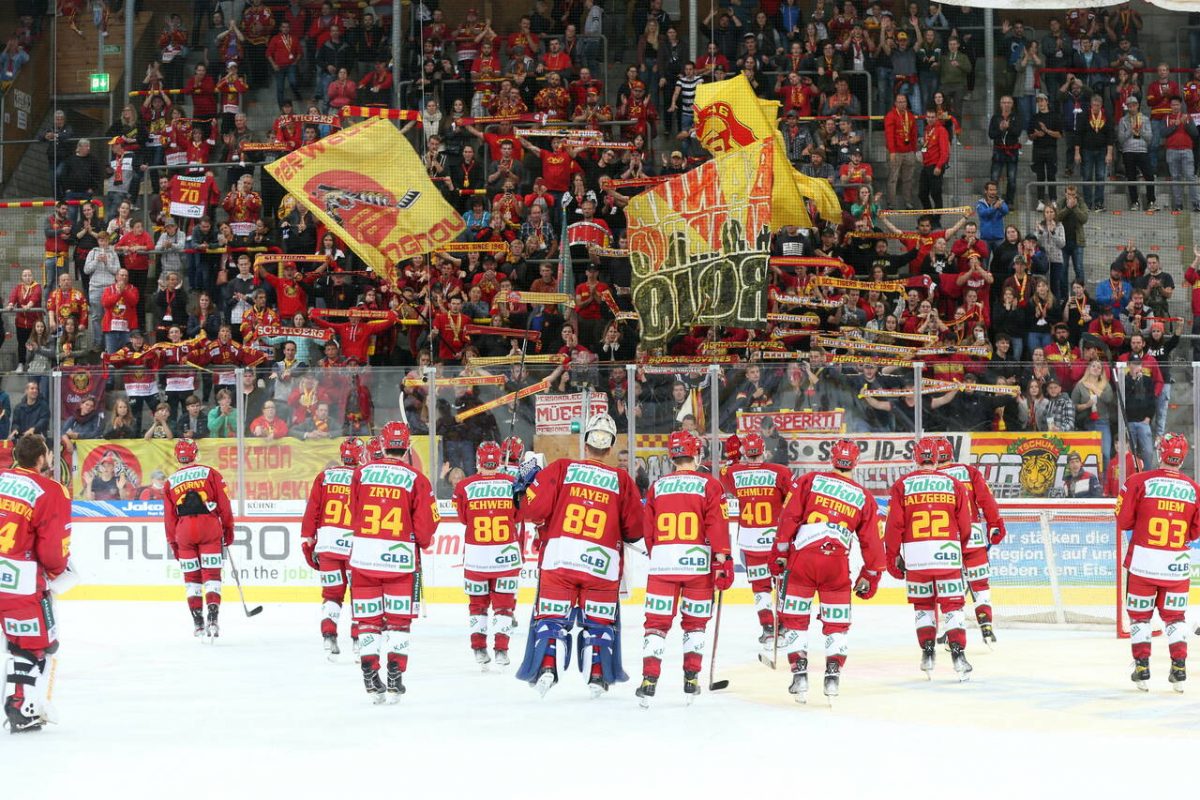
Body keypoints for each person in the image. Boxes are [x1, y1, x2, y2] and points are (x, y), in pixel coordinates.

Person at [517, 413, 644, 697]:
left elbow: (532, 511)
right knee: (599, 622)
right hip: (602, 564)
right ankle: (597, 676)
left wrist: (525, 486)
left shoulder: (561, 468)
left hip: (560, 556)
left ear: (584, 442)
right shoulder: (621, 480)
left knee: (550, 618)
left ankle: (547, 668)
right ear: (610, 448)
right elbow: (635, 530)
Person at [771, 439, 884, 703]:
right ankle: (832, 676)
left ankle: (799, 674)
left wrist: (778, 554)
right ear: (856, 463)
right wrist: (871, 575)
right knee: (836, 624)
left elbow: (789, 518)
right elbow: (872, 543)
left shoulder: (810, 481)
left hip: (803, 561)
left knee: (795, 620)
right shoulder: (864, 497)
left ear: (832, 459)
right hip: (836, 565)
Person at [636, 432, 732, 706]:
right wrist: (723, 560)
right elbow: (717, 527)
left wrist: (661, 555)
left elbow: (649, 531)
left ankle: (648, 681)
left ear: (672, 456)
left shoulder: (657, 486)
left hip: (663, 564)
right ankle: (691, 680)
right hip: (697, 566)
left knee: (655, 625)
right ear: (697, 454)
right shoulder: (709, 485)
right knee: (695, 625)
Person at [347, 421, 439, 702]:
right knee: (398, 622)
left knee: (368, 620)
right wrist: (423, 541)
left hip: (364, 557)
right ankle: (395, 673)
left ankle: (368, 669)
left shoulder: (362, 473)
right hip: (400, 562)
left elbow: (354, 510)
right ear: (408, 446)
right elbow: (427, 525)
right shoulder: (417, 478)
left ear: (382, 444)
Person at [884, 437, 974, 679]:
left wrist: (892, 556)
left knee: (923, 606)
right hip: (947, 554)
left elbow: (893, 526)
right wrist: (960, 550)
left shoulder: (903, 484)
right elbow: (966, 524)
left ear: (916, 458)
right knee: (953, 605)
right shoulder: (954, 483)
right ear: (937, 458)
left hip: (916, 555)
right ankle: (958, 655)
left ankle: (928, 652)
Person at [0, 434, 72, 733]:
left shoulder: (2, 478)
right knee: (36, 644)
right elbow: (53, 546)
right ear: (42, 459)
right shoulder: (50, 490)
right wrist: (58, 571)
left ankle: (21, 702)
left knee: (17, 640)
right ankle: (21, 704)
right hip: (18, 578)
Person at [1116, 434, 1200, 691]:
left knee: (1140, 617)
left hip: (1143, 563)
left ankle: (1142, 668)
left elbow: (1123, 522)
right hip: (1176, 565)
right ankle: (1179, 668)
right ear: (1183, 457)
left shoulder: (1138, 481)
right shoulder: (1195, 489)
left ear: (1160, 452)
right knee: (1175, 618)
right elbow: (1195, 532)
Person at [719, 431, 795, 646]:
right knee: (782, 585)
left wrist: (734, 456)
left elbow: (725, 472)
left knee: (760, 587)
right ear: (764, 451)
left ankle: (768, 629)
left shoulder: (733, 472)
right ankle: (784, 627)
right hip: (776, 540)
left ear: (745, 452)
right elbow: (792, 501)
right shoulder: (780, 471)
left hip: (751, 541)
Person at [452, 441, 522, 669]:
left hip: (476, 557)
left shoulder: (464, 486)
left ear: (478, 461)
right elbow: (519, 516)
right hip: (506, 556)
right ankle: (501, 650)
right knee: (504, 606)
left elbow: (463, 519)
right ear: (500, 461)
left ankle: (479, 649)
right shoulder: (512, 483)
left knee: (477, 605)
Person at [933, 437, 1006, 643]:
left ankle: (952, 628)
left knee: (949, 586)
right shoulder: (968, 471)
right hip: (973, 537)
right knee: (980, 583)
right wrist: (996, 525)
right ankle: (986, 625)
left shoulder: (930, 477)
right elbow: (987, 501)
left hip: (945, 540)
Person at [163, 437, 234, 639]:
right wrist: (228, 528)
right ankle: (213, 619)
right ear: (195, 454)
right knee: (212, 575)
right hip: (209, 527)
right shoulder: (210, 473)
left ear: (177, 457)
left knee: (192, 579)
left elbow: (169, 517)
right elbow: (224, 504)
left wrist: (173, 541)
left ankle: (198, 624)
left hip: (184, 531)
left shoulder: (170, 482)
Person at [301, 437, 364, 658]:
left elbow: (313, 509)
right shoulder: (364, 476)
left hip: (327, 543)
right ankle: (358, 641)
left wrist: (308, 538)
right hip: (355, 546)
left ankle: (329, 636)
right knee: (360, 594)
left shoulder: (325, 476)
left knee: (332, 594)